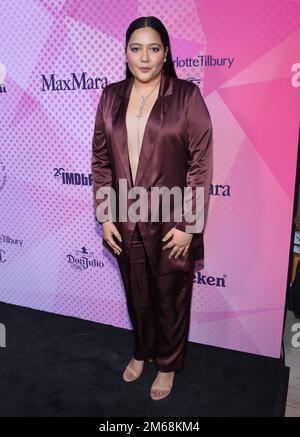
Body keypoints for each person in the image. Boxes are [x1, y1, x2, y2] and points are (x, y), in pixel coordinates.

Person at [91, 16, 213, 401]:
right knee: (137, 294)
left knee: (171, 299)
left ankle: (167, 364)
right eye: (136, 48)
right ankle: (142, 351)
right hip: (126, 221)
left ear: (166, 54)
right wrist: (106, 213)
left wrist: (188, 224)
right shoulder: (111, 96)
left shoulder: (186, 97)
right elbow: (101, 159)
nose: (144, 57)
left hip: (171, 221)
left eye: (154, 48)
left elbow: (200, 163)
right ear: (126, 53)